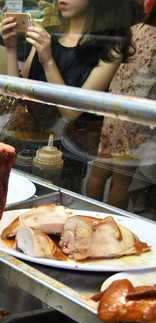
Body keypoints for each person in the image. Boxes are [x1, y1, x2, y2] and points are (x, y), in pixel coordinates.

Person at [0, 0, 133, 122]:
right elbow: (18, 95)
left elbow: (71, 114)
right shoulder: (47, 36)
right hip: (33, 138)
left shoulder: (110, 48)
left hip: (73, 143)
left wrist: (48, 62)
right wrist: (11, 48)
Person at [86, 1, 156, 209]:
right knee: (122, 180)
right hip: (136, 117)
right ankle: (111, 223)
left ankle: (89, 212)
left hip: (114, 109)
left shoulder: (133, 31)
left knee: (99, 171)